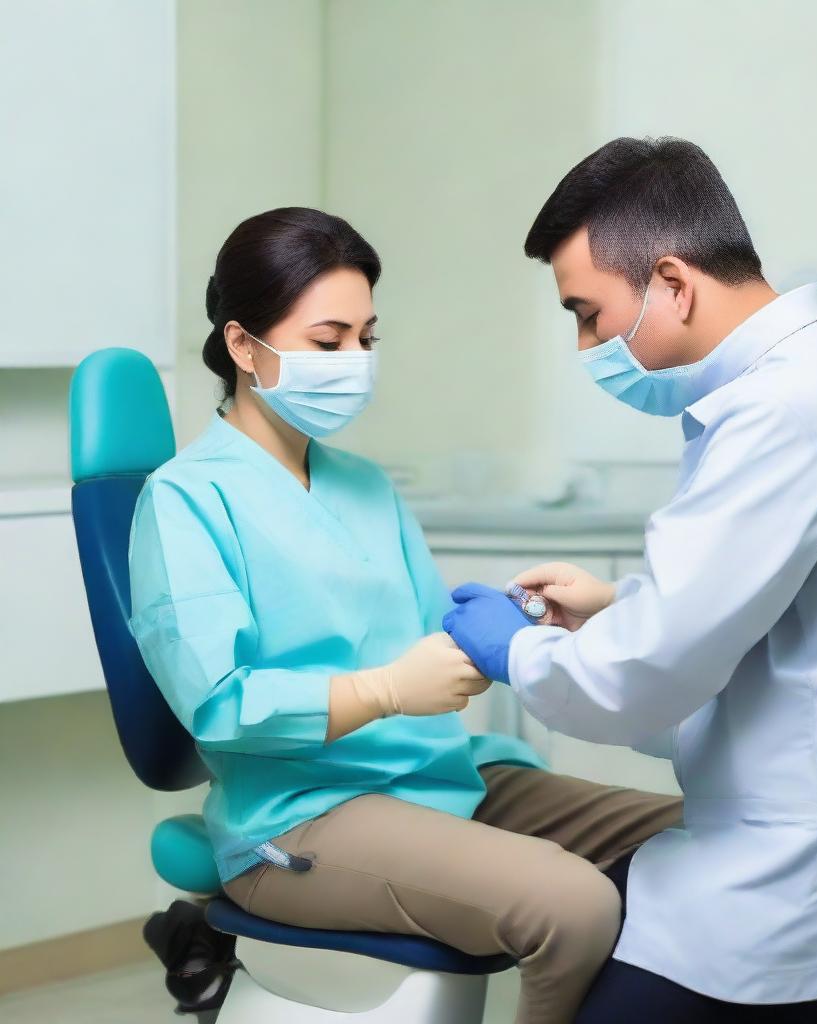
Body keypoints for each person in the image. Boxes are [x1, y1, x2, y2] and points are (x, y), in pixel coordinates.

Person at [127, 206, 682, 1024]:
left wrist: (517, 621)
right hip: (303, 816)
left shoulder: (366, 485)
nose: (354, 362)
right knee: (574, 906)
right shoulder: (184, 501)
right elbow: (218, 704)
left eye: (367, 339)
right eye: (327, 342)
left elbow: (432, 637)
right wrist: (386, 691)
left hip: (444, 776)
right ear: (244, 347)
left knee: (705, 831)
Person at [443, 139, 817, 1023]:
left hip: (784, 892)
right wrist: (619, 611)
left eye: (588, 313)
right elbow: (778, 636)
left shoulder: (781, 414)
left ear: (672, 284)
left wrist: (511, 648)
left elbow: (632, 683)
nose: (586, 344)